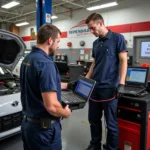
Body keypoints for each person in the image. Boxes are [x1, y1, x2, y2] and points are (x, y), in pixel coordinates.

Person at [20, 24, 71, 150]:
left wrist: (68, 85)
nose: (58, 45)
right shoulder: (46, 64)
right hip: (44, 131)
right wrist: (65, 113)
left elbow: (39, 84)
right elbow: (52, 107)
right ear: (50, 40)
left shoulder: (28, 59)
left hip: (28, 126)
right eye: (58, 41)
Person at [85, 13, 128, 150]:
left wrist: (121, 83)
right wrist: (85, 79)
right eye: (89, 29)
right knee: (94, 120)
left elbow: (123, 60)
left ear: (100, 23)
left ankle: (111, 148)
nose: (91, 31)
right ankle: (95, 145)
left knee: (111, 124)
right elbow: (94, 63)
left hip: (110, 88)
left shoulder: (117, 38)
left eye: (92, 28)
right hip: (95, 88)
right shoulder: (95, 43)